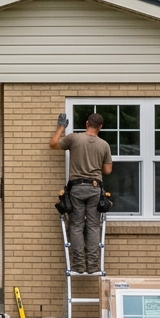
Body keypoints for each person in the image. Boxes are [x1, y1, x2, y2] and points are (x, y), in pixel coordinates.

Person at [49, 112, 112, 274]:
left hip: (76, 188)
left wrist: (61, 126)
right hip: (95, 188)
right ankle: (92, 265)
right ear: (100, 127)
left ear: (86, 123)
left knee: (76, 225)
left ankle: (78, 264)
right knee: (92, 226)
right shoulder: (104, 145)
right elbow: (107, 170)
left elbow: (53, 144)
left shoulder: (74, 138)